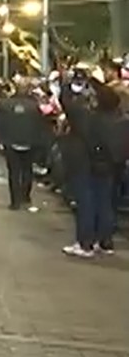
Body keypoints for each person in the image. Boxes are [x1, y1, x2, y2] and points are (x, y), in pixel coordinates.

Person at [64, 84, 125, 258]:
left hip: (86, 164)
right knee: (105, 203)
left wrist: (70, 85)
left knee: (86, 203)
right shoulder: (121, 121)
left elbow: (68, 104)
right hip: (110, 166)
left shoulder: (88, 118)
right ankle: (105, 242)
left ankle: (85, 244)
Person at [0, 82, 46, 211]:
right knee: (27, 170)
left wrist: (0, 140)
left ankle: (15, 201)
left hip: (10, 142)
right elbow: (40, 125)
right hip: (29, 142)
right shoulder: (34, 106)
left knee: (14, 172)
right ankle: (25, 196)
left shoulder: (4, 104)